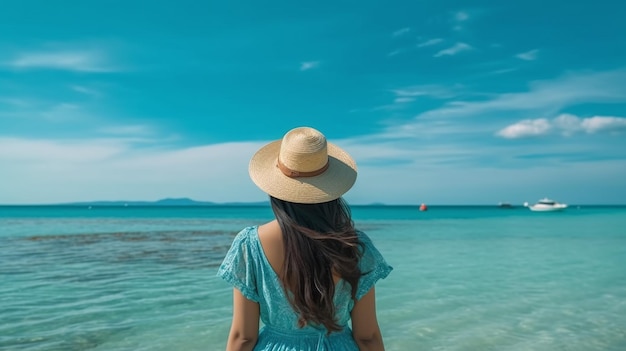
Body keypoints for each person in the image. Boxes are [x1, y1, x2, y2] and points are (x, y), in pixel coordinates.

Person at [217, 126, 393, 351]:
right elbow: (367, 336)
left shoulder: (250, 245)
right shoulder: (355, 246)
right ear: (332, 190)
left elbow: (243, 337)